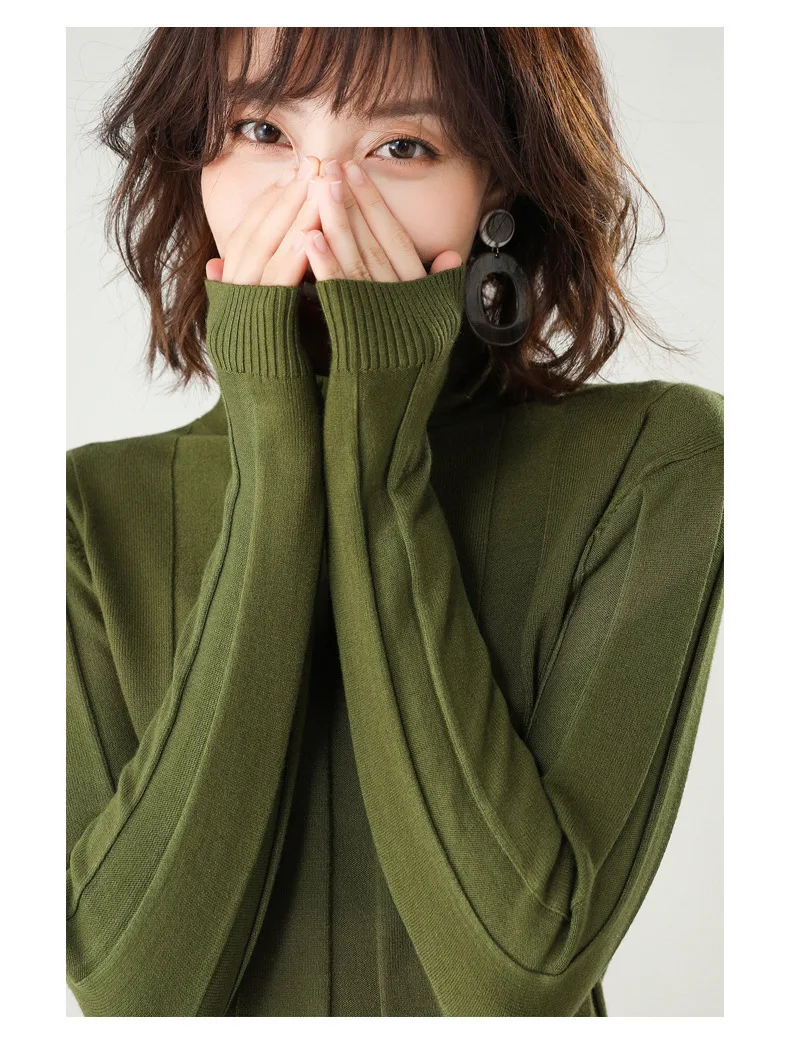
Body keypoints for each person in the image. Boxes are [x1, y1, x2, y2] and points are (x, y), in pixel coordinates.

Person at [66, 28, 724, 1017]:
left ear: (497, 188)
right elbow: (131, 992)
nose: (321, 199)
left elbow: (517, 979)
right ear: (196, 157)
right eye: (262, 130)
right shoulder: (85, 511)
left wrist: (375, 458)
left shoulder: (655, 461)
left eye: (402, 146)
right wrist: (277, 464)